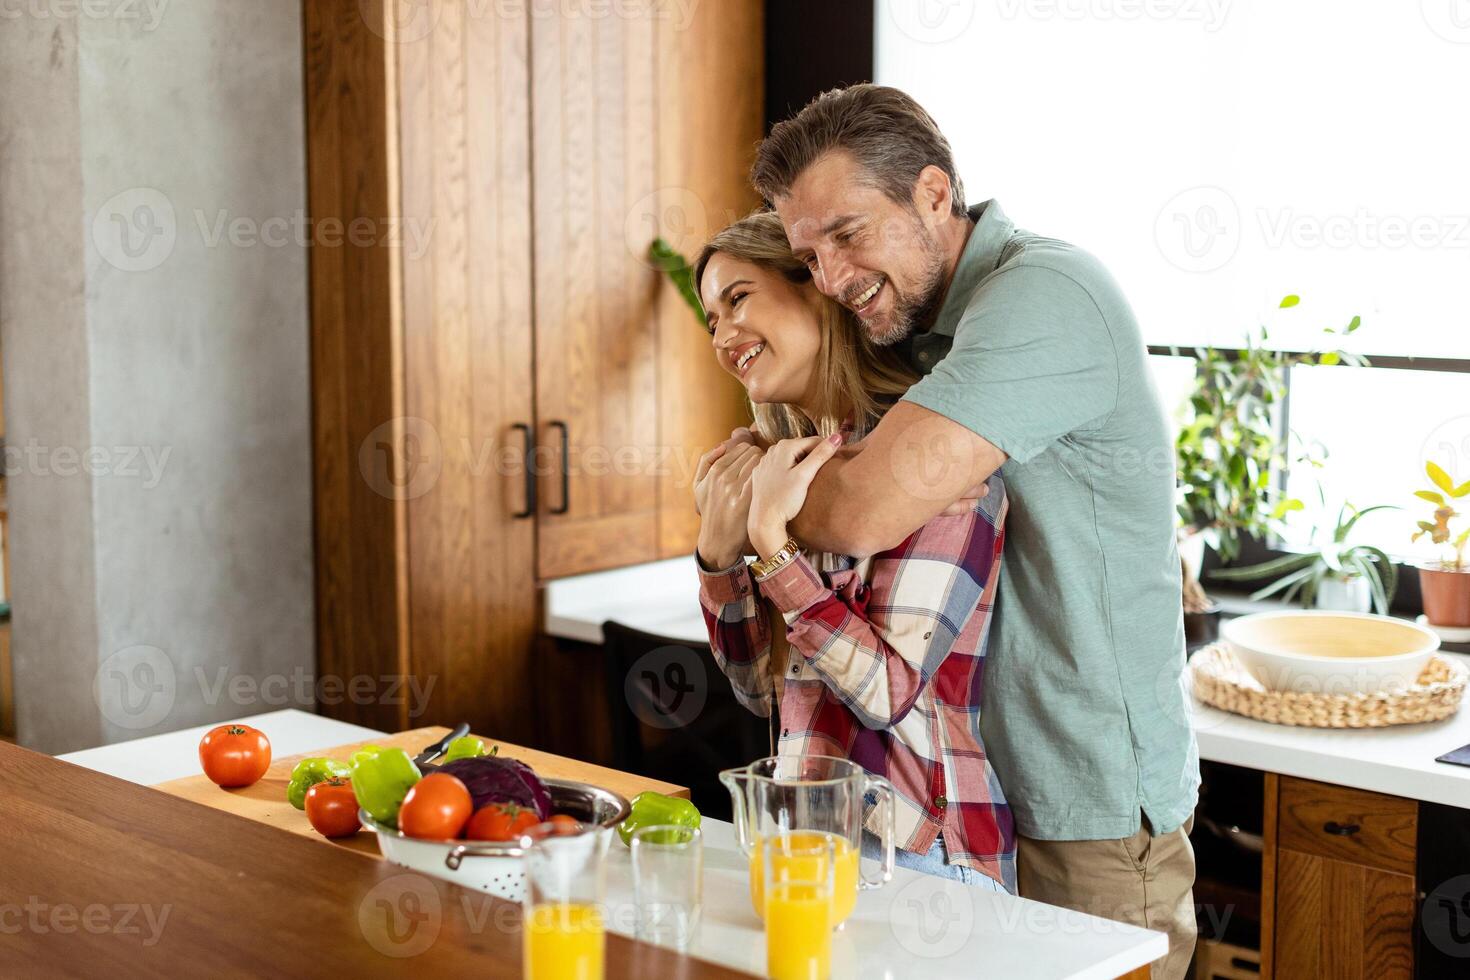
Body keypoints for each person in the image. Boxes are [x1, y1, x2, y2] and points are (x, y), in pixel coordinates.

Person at [739, 84, 1201, 978]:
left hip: (1085, 805)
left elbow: (865, 508)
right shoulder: (917, 324)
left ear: (935, 195)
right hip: (966, 801)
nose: (830, 279)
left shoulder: (1044, 294)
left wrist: (756, 499)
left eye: (847, 234)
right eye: (809, 255)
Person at [691, 211, 1015, 892]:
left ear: (815, 287)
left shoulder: (927, 456)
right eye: (711, 321)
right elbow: (757, 690)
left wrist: (774, 551)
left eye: (737, 298)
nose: (721, 336)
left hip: (921, 856)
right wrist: (720, 557)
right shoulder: (784, 475)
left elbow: (888, 694)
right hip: (809, 839)